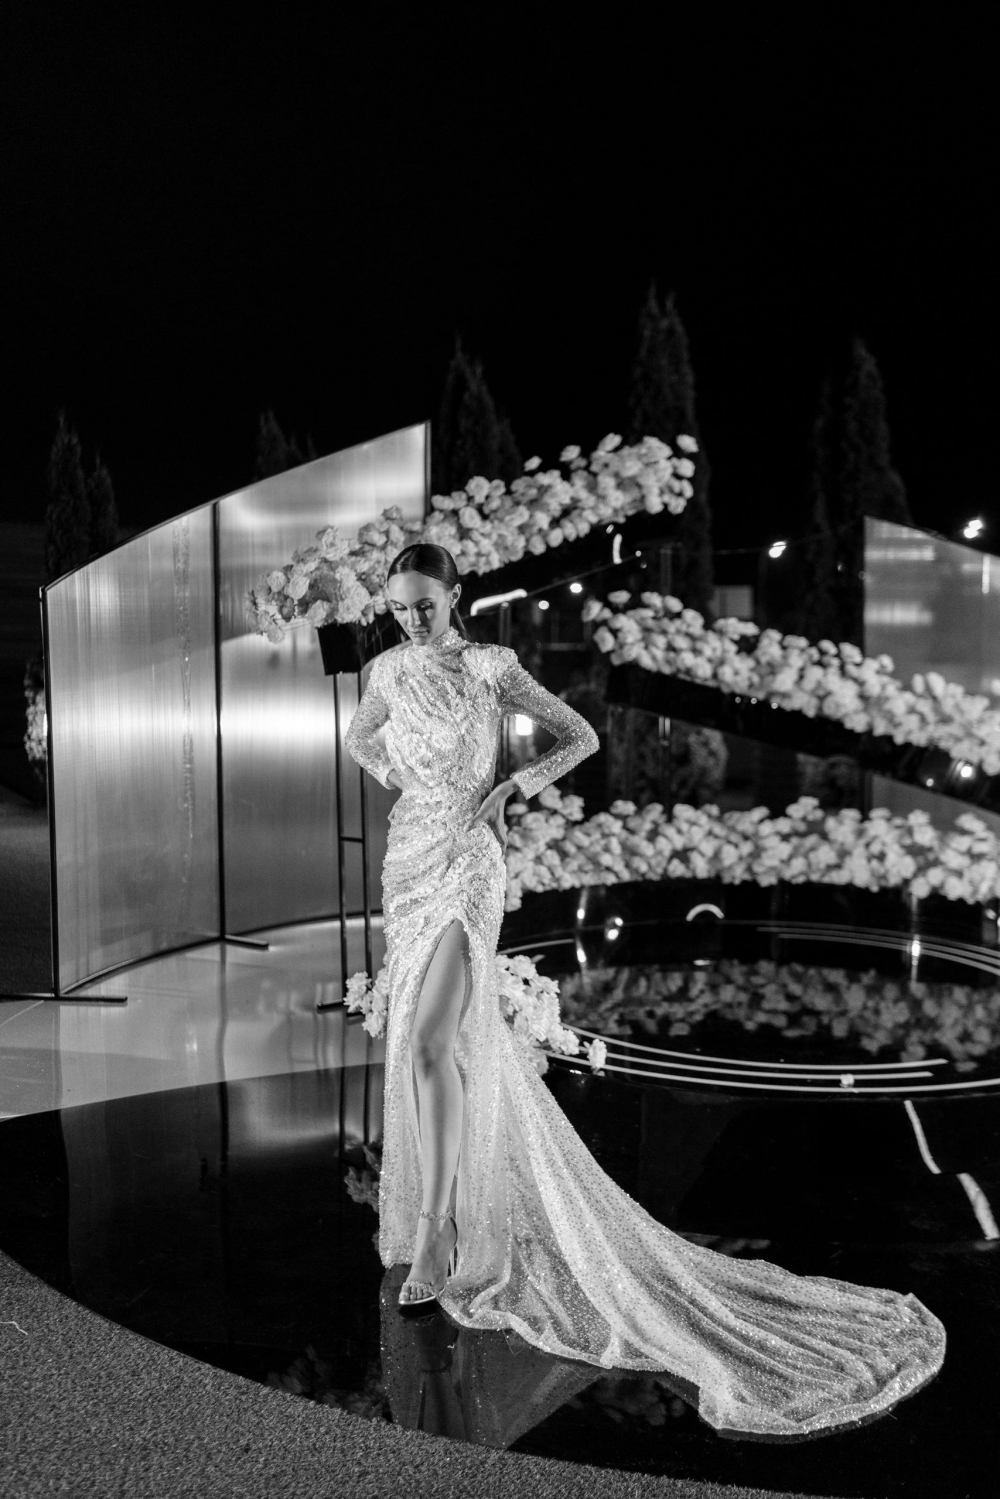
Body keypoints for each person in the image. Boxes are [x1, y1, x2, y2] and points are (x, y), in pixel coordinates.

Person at [344, 541, 946, 1439]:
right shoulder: (388, 670)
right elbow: (361, 737)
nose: (410, 619)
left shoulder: (493, 664)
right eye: (399, 607)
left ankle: (438, 1230)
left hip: (470, 862)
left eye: (424, 604)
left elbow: (578, 734)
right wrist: (403, 780)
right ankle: (442, 1219)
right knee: (426, 1049)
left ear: (455, 595)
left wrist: (511, 786)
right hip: (409, 859)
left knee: (434, 1039)